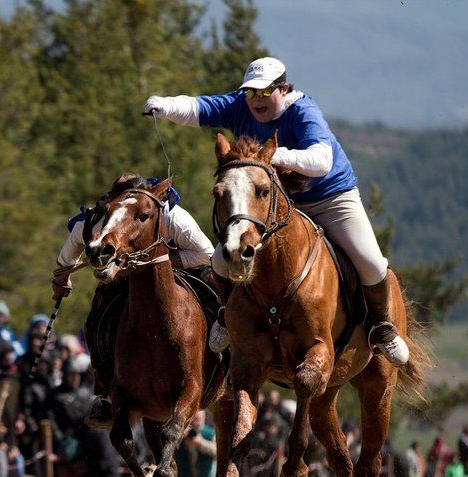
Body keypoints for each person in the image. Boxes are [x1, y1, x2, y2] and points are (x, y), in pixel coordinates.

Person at [142, 56, 409, 366]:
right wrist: (165, 105)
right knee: (220, 258)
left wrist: (273, 156)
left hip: (331, 198)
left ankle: (381, 326)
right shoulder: (241, 105)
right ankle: (228, 314)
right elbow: (199, 108)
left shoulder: (303, 111)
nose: (257, 100)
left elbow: (321, 160)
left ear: (283, 89)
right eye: (251, 93)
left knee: (372, 263)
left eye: (265, 92)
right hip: (279, 205)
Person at [51, 174, 215, 428]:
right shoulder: (96, 221)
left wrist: (161, 261)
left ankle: (226, 358)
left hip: (175, 271)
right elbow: (66, 260)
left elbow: (206, 254)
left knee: (213, 300)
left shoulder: (171, 215)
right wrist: (62, 282)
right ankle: (105, 393)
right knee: (95, 321)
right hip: (123, 278)